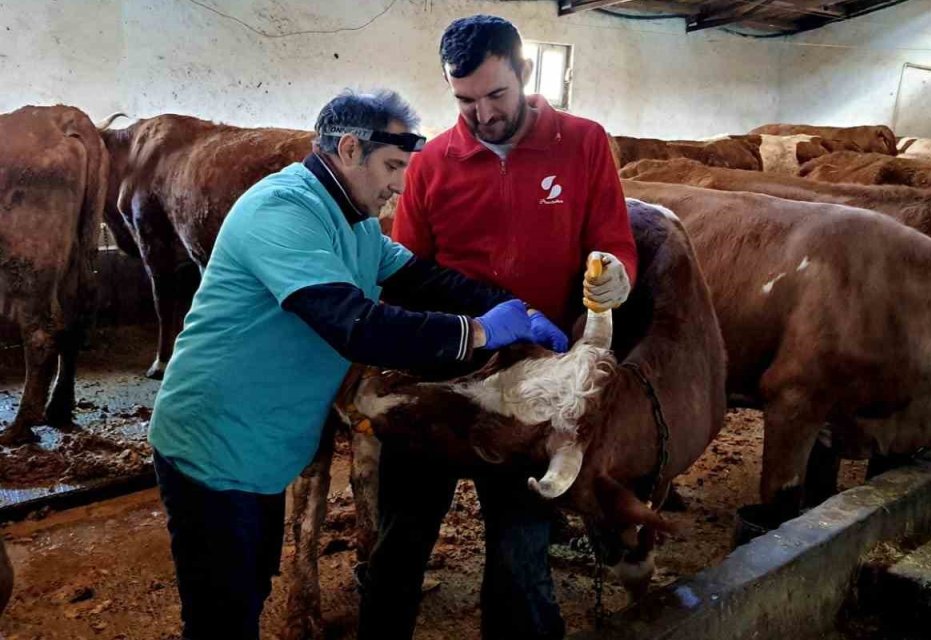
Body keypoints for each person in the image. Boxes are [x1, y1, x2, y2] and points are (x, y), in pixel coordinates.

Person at [148, 88, 566, 640]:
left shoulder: (356, 221)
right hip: (214, 444)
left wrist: (508, 305)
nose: (399, 184)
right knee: (222, 616)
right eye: (392, 166)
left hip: (265, 448)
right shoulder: (281, 212)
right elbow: (356, 324)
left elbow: (420, 277)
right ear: (349, 149)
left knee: (248, 590)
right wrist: (483, 331)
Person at [358, 15, 638, 640]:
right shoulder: (432, 164)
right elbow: (407, 270)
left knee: (519, 552)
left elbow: (613, 238)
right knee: (402, 539)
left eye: (495, 96)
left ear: (525, 73)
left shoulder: (584, 143)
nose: (481, 114)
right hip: (447, 372)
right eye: (464, 100)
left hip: (538, 380)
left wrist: (617, 274)